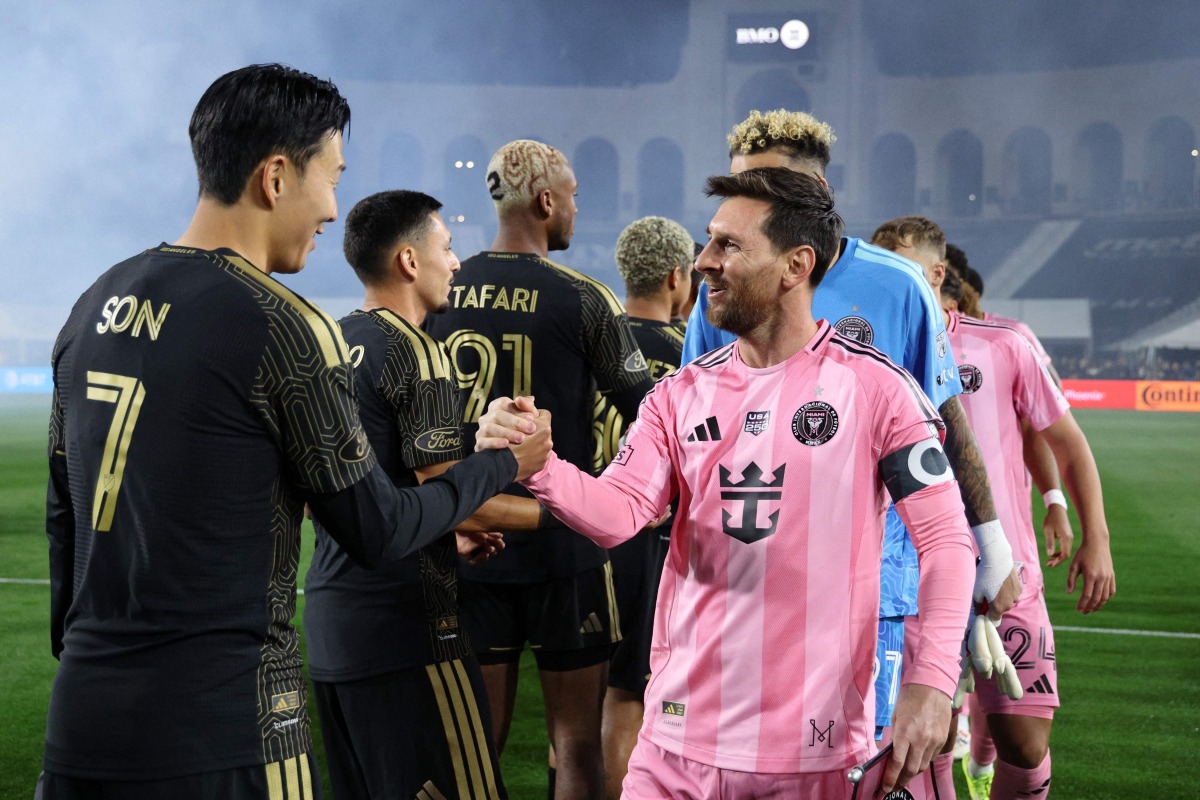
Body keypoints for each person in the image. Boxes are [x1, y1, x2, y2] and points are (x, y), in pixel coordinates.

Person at [41, 65, 547, 800]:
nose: (334, 210)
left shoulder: (96, 300)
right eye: (331, 177)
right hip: (229, 729)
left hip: (83, 722)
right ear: (276, 176)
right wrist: (498, 465)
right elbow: (377, 526)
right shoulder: (280, 321)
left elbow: (67, 517)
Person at [478, 167, 975, 798]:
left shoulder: (877, 391)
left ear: (796, 265)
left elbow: (947, 543)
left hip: (811, 755)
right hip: (675, 745)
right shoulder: (678, 395)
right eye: (709, 241)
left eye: (729, 245)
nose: (704, 260)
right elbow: (618, 512)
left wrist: (930, 681)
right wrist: (540, 465)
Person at [682, 110, 1021, 742]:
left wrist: (990, 544)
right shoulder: (716, 289)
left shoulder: (897, 287)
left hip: (867, 586)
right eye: (738, 190)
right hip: (746, 581)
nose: (743, 208)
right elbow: (693, 423)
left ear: (819, 196)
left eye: (765, 189)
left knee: (857, 765)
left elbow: (944, 421)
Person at [304, 190, 558, 800]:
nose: (457, 261)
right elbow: (451, 490)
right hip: (411, 630)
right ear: (409, 261)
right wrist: (572, 516)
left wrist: (449, 528)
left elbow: (329, 495)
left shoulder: (331, 343)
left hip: (334, 630)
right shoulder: (417, 351)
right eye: (446, 247)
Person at [427, 140, 653, 800]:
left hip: (468, 538)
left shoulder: (444, 287)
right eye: (574, 195)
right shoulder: (583, 298)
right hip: (565, 544)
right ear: (547, 200)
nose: (577, 207)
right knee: (577, 741)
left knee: (474, 743)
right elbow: (650, 409)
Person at [920, 232, 1116, 800]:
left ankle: (981, 766)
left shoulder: (1005, 342)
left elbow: (1044, 434)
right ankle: (973, 766)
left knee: (1025, 743)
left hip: (1005, 572)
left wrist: (1063, 509)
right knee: (925, 736)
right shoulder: (870, 350)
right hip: (912, 581)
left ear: (938, 279)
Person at [590, 216, 692, 799]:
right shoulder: (691, 355)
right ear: (678, 276)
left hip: (583, 530)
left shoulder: (590, 340)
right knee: (629, 697)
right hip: (647, 547)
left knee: (578, 703)